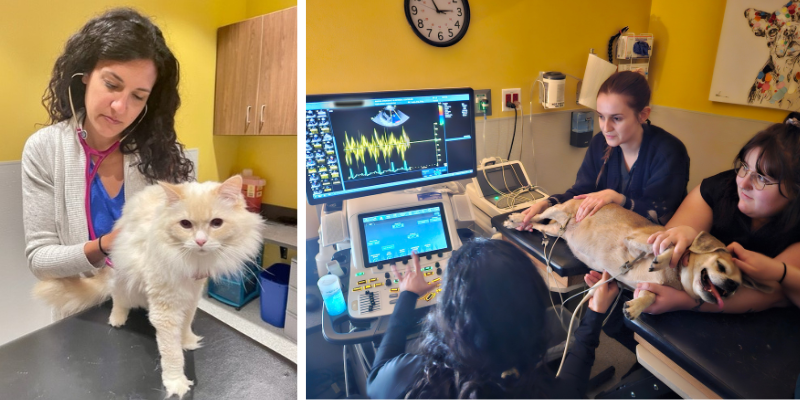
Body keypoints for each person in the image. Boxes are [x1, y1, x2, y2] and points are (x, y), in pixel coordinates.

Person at [22, 8, 193, 281]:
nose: (120, 107)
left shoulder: (161, 152)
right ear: (86, 73)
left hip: (152, 304)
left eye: (138, 96)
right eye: (112, 85)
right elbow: (40, 260)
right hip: (80, 311)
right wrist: (107, 244)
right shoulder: (45, 148)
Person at [366, 239, 620, 399]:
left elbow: (376, 375)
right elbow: (572, 388)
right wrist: (595, 314)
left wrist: (407, 295)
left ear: (450, 315)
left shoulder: (409, 376)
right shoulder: (542, 392)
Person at [638, 119, 800, 314]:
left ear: (795, 192)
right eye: (745, 167)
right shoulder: (718, 189)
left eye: (762, 178)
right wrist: (686, 234)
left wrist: (685, 302)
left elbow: (772, 295)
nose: (743, 182)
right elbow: (666, 260)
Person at [519, 71, 690, 227]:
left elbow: (658, 217)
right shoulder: (599, 143)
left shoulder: (668, 152)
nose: (606, 127)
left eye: (616, 118)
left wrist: (618, 199)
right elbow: (581, 193)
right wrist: (548, 206)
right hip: (608, 236)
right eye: (601, 116)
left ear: (643, 115)